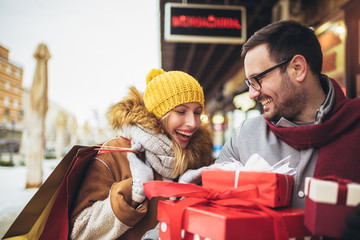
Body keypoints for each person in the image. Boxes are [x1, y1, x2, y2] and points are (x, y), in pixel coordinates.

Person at [180, 20, 360, 239]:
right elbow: (211, 211)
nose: (252, 94)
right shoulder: (245, 136)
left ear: (297, 68)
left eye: (257, 79)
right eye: (249, 83)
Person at [70, 68, 213, 240]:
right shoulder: (113, 153)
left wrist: (200, 193)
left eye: (197, 112)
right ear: (159, 114)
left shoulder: (198, 157)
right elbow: (79, 231)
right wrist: (133, 193)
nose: (193, 122)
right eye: (181, 111)